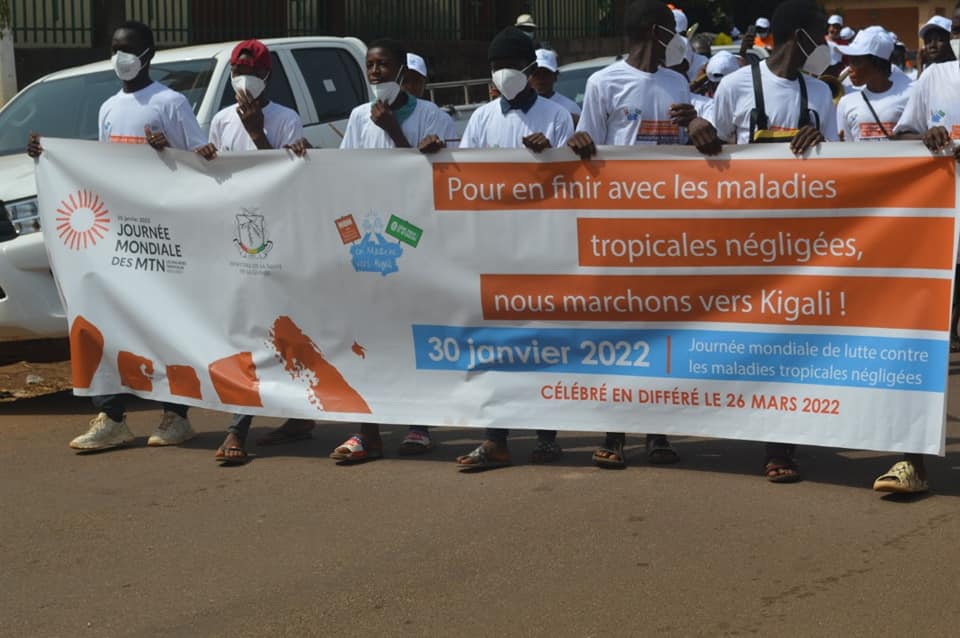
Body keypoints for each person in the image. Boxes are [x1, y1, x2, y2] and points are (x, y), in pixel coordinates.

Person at [28, 21, 205, 452]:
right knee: (108, 319)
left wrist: (167, 151)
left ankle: (176, 415)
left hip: (161, 236)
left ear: (148, 54)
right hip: (117, 234)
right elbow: (103, 166)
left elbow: (202, 162)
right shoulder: (109, 107)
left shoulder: (170, 103)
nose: (120, 57)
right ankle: (112, 416)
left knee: (165, 324)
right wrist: (49, 156)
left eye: (128, 49)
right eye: (115, 48)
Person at [566, 0, 721, 469]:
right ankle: (614, 433)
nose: (678, 39)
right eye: (673, 30)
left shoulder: (676, 83)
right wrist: (576, 142)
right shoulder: (604, 82)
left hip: (667, 230)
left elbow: (690, 153)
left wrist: (696, 126)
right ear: (657, 31)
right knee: (621, 332)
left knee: (662, 332)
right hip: (620, 230)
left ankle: (658, 432)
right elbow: (586, 149)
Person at [708, 0, 837, 482]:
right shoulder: (734, 85)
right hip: (745, 237)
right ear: (799, 37)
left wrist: (819, 142)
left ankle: (779, 445)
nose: (825, 45)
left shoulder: (820, 92)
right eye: (820, 35)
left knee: (789, 341)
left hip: (798, 240)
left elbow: (841, 163)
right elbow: (712, 157)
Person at [329, 38, 456, 462]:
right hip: (371, 240)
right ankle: (367, 431)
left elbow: (434, 182)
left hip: (412, 236)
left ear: (401, 70)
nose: (375, 72)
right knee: (368, 334)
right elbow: (346, 174)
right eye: (369, 65)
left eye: (382, 65)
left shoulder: (431, 116)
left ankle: (419, 425)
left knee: (411, 332)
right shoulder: (358, 117)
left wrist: (395, 132)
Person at [454, 26, 575, 470]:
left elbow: (572, 181)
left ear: (530, 68)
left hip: (542, 246)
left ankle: (547, 436)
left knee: (542, 343)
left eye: (510, 66)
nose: (503, 74)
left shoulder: (557, 116)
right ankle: (496, 438)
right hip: (495, 247)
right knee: (498, 346)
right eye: (495, 67)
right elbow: (465, 178)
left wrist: (550, 156)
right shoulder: (482, 118)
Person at [192, 39, 310, 464]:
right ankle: (266, 418)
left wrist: (259, 132)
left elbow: (287, 180)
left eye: (253, 73)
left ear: (267, 77)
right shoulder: (222, 121)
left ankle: (244, 426)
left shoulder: (286, 119)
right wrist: (207, 158)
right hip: (237, 237)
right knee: (250, 329)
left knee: (272, 327)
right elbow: (217, 177)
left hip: (276, 237)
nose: (244, 81)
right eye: (238, 73)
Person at [835, 27, 911, 142]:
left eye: (856, 62)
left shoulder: (911, 96)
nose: (849, 69)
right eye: (850, 61)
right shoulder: (845, 102)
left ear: (876, 62)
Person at [530, 48, 581, 125]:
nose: (541, 78)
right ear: (529, 76)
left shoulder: (571, 108)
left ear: (555, 76)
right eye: (536, 73)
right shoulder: (521, 108)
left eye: (546, 73)